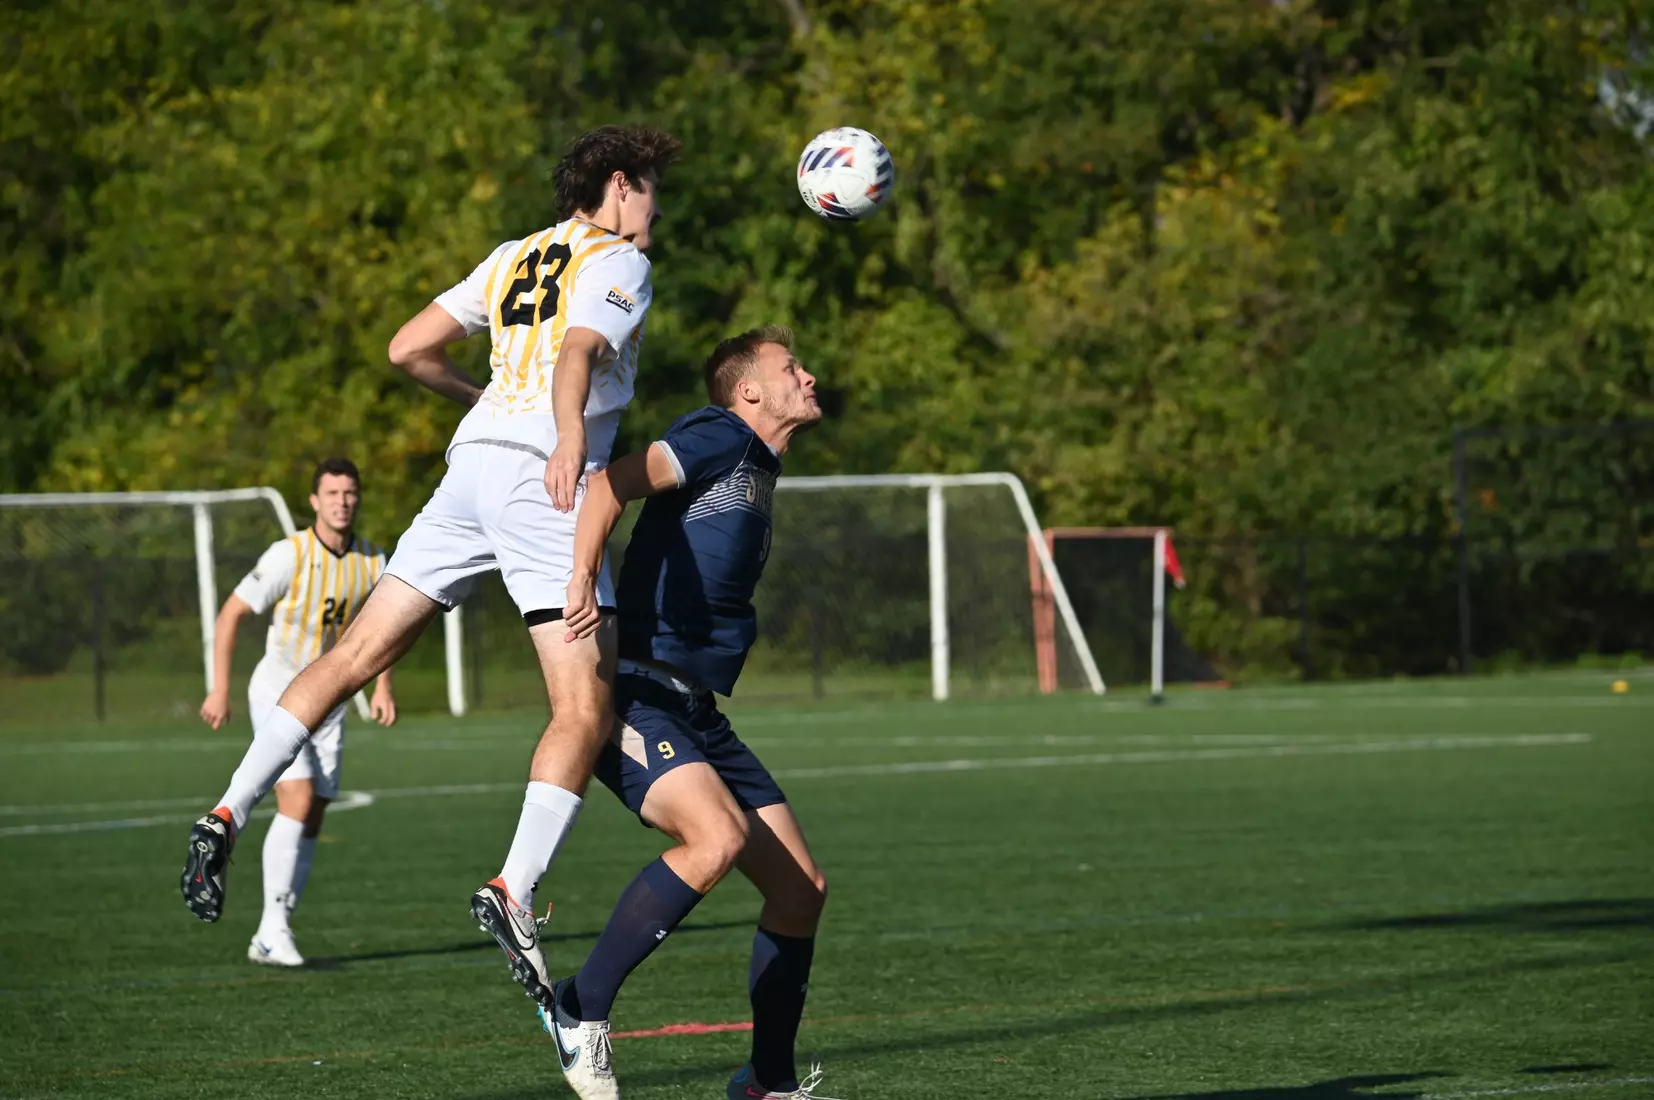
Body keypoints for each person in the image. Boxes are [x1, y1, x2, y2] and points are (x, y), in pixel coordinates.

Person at [179, 125, 682, 1011]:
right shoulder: (620, 260)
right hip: (542, 481)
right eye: (649, 188)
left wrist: (485, 400)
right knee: (584, 706)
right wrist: (568, 437)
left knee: (349, 657)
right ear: (616, 184)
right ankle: (514, 888)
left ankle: (226, 807)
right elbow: (577, 353)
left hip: (468, 470)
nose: (657, 208)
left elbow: (406, 349)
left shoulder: (512, 254)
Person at [541, 326, 833, 1100]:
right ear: (749, 391)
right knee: (714, 840)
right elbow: (610, 484)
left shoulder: (759, 463)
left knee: (800, 889)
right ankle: (579, 1005)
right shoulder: (719, 435)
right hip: (636, 692)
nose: (808, 376)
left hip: (692, 707)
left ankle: (766, 1082)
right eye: (791, 368)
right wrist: (581, 577)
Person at [197, 457, 397, 966]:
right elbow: (231, 614)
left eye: (349, 492)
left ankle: (271, 928)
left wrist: (382, 686)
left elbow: (385, 629)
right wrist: (218, 689)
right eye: (332, 493)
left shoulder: (373, 560)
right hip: (278, 694)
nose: (342, 502)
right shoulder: (290, 554)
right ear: (314, 501)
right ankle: (274, 930)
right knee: (300, 797)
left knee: (315, 811)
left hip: (330, 701)